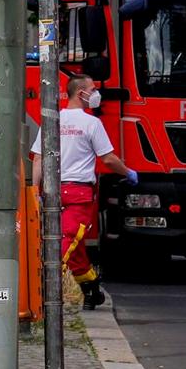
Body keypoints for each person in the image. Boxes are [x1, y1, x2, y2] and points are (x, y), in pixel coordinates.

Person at [59, 69, 130, 310]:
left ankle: (91, 291)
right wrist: (128, 172)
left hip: (55, 192)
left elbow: (38, 159)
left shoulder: (53, 120)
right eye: (93, 90)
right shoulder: (92, 123)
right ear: (81, 93)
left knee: (71, 244)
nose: (97, 94)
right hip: (79, 193)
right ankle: (46, 290)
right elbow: (108, 159)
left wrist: (37, 191)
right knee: (67, 242)